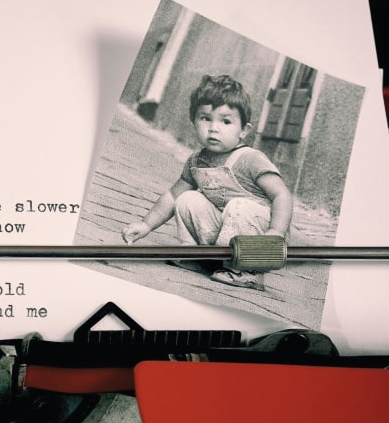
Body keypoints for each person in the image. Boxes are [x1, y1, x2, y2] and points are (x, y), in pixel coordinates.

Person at [121, 74, 292, 290]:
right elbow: (172, 196)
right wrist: (146, 224)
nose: (213, 128)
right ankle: (198, 255)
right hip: (225, 227)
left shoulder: (251, 159)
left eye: (225, 121)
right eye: (205, 118)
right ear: (193, 121)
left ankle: (246, 271)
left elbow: (281, 195)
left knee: (239, 206)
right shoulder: (197, 161)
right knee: (187, 199)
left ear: (244, 131)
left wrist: (276, 232)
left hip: (258, 233)